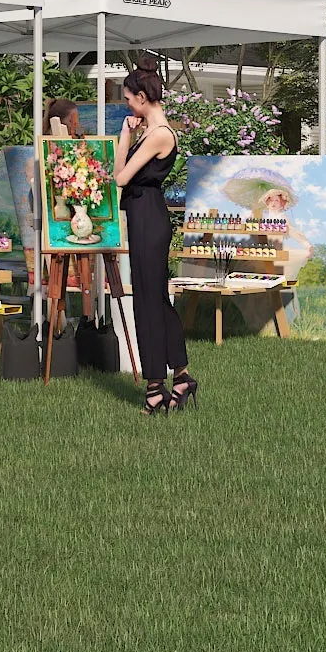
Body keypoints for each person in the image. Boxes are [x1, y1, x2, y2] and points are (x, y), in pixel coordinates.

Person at [115, 54, 195, 414]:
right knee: (155, 298)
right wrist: (125, 133)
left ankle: (154, 386)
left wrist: (129, 136)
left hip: (148, 217)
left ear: (142, 99)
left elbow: (119, 178)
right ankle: (181, 377)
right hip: (145, 215)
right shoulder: (147, 132)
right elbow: (121, 171)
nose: (128, 105)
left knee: (147, 299)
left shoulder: (159, 134)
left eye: (129, 99)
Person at [44, 98, 95, 322]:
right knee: (58, 269)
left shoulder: (71, 146)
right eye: (75, 121)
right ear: (65, 122)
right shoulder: (51, 148)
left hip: (71, 214)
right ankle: (61, 318)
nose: (78, 125)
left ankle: (76, 316)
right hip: (57, 216)